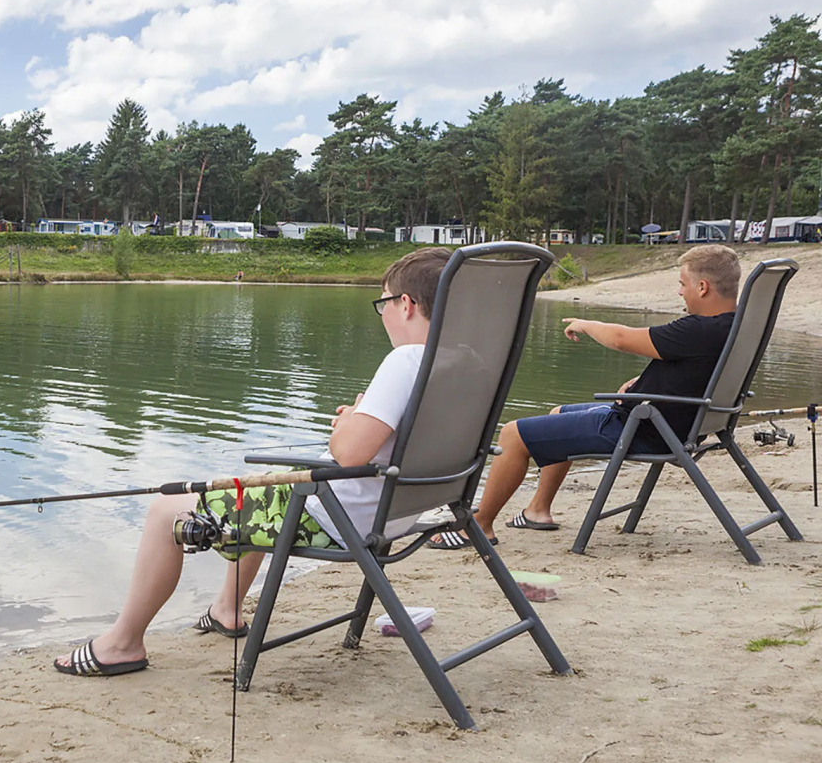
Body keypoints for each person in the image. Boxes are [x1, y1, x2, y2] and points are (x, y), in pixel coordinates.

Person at [54, 247, 453, 676]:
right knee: (254, 486)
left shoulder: (406, 360)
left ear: (406, 305)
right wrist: (361, 424)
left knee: (164, 511)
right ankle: (227, 607)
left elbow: (349, 453)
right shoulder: (462, 360)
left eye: (384, 303)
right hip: (396, 514)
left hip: (339, 517)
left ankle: (122, 643)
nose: (384, 315)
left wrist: (350, 422)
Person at [432, 244, 741, 549]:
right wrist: (643, 385)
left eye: (682, 284)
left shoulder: (697, 330)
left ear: (702, 287)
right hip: (672, 422)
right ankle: (538, 510)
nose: (679, 292)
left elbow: (621, 340)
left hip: (644, 428)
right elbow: (698, 372)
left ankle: (479, 526)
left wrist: (588, 324)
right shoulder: (733, 326)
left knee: (513, 435)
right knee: (557, 413)